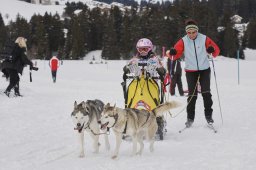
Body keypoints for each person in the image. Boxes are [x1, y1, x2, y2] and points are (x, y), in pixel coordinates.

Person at [166, 19, 220, 127]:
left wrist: (211, 49)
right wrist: (172, 52)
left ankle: (209, 116)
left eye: (193, 32)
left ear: (197, 31)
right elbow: (174, 54)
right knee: (192, 95)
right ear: (186, 32)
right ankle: (190, 118)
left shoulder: (204, 38)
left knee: (206, 93)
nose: (191, 35)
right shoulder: (183, 41)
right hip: (191, 71)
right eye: (189, 33)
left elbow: (216, 51)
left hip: (204, 70)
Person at [122, 38, 166, 139]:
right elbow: (127, 67)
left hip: (151, 84)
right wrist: (127, 68)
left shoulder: (154, 59)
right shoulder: (135, 59)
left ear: (150, 49)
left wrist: (159, 69)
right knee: (131, 98)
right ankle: (129, 118)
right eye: (140, 49)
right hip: (137, 84)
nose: (142, 51)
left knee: (154, 102)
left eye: (145, 49)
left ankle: (157, 120)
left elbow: (162, 69)